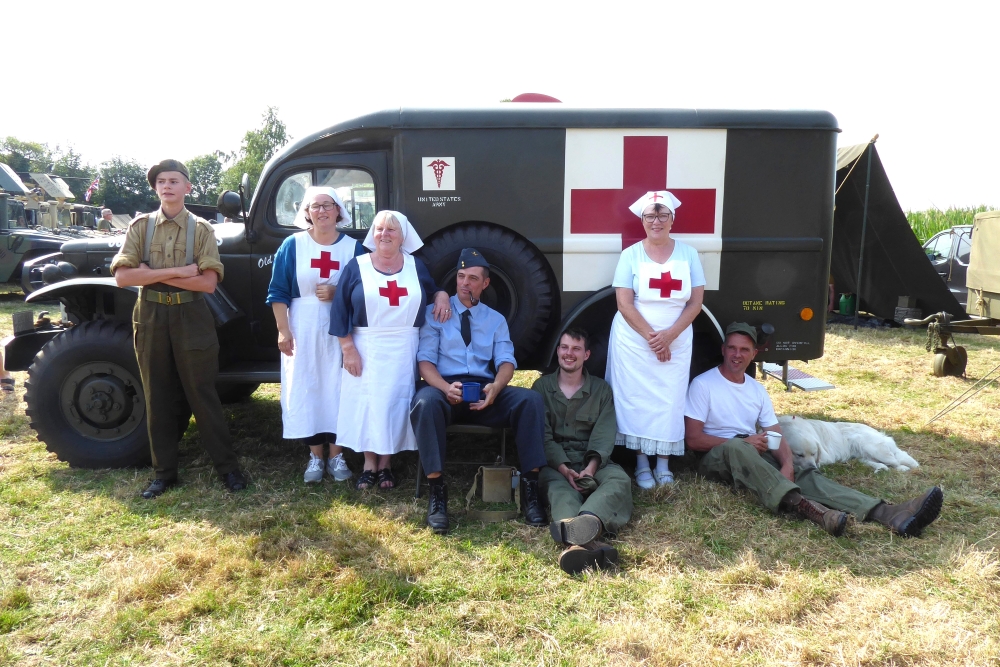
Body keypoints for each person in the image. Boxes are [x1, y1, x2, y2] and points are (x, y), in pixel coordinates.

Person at [684, 322, 944, 537]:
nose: (736, 355)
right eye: (731, 348)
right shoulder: (703, 384)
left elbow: (775, 434)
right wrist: (745, 444)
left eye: (744, 349)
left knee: (806, 473)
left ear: (754, 354)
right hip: (715, 458)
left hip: (751, 450)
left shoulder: (756, 390)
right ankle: (807, 508)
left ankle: (888, 513)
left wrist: (787, 464)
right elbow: (693, 440)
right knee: (736, 446)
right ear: (723, 350)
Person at [111, 159, 246, 498]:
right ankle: (163, 473)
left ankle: (228, 469)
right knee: (157, 396)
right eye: (161, 181)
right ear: (155, 188)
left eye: (174, 180)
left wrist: (152, 271)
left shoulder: (200, 230)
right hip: (151, 314)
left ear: (187, 188)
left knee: (202, 394)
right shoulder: (140, 228)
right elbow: (123, 277)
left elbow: (208, 284)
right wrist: (182, 272)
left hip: (191, 316)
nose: (166, 186)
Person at [410, 247, 548, 534]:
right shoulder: (436, 312)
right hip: (445, 388)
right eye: (461, 276)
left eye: (472, 278)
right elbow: (425, 362)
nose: (464, 283)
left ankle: (531, 490)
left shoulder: (494, 319)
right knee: (425, 403)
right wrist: (446, 387)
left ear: (485, 284)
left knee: (530, 401)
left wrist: (497, 387)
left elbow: (506, 362)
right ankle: (437, 492)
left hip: (485, 389)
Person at [329, 211, 450, 491]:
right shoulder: (356, 266)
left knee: (395, 402)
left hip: (403, 348)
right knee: (367, 403)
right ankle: (369, 463)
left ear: (403, 236)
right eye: (380, 229)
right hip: (365, 346)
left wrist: (442, 294)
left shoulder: (414, 265)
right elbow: (340, 310)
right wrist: (348, 348)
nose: (384, 234)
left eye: (391, 230)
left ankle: (386, 464)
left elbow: (432, 291)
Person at [606, 191, 705, 489]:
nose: (657, 222)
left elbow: (696, 302)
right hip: (635, 340)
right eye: (650, 216)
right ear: (642, 221)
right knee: (637, 399)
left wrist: (670, 336)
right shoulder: (630, 255)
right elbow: (624, 303)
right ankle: (640, 463)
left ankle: (663, 463)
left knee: (669, 399)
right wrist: (653, 338)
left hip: (676, 338)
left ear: (672, 219)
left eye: (663, 215)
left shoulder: (689, 254)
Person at [266, 187, 365, 484]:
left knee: (339, 387)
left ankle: (336, 455)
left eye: (327, 205)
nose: (321, 211)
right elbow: (278, 292)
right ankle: (315, 456)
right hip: (303, 326)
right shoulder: (292, 245)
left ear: (338, 211)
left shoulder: (353, 248)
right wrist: (283, 331)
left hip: (342, 329)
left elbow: (364, 291)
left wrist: (339, 293)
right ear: (306, 212)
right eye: (315, 206)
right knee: (306, 386)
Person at [532, 328, 632, 574]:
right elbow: (542, 436)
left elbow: (604, 434)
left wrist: (591, 468)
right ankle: (590, 542)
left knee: (619, 480)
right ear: (557, 352)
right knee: (558, 491)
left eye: (576, 349)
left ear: (586, 354)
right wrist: (564, 469)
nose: (569, 354)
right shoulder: (541, 388)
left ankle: (584, 526)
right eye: (564, 347)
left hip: (592, 462)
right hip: (556, 464)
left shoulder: (601, 390)